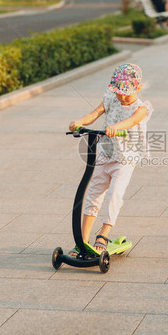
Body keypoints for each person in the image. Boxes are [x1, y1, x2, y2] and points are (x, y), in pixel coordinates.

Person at [68, 64, 152, 255]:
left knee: (115, 194)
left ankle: (103, 234)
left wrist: (116, 127)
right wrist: (80, 122)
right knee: (93, 195)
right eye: (119, 92)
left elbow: (131, 121)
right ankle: (82, 242)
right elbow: (94, 114)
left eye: (126, 93)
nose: (122, 97)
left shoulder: (141, 108)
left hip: (125, 159)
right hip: (105, 155)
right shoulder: (111, 99)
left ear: (138, 88)